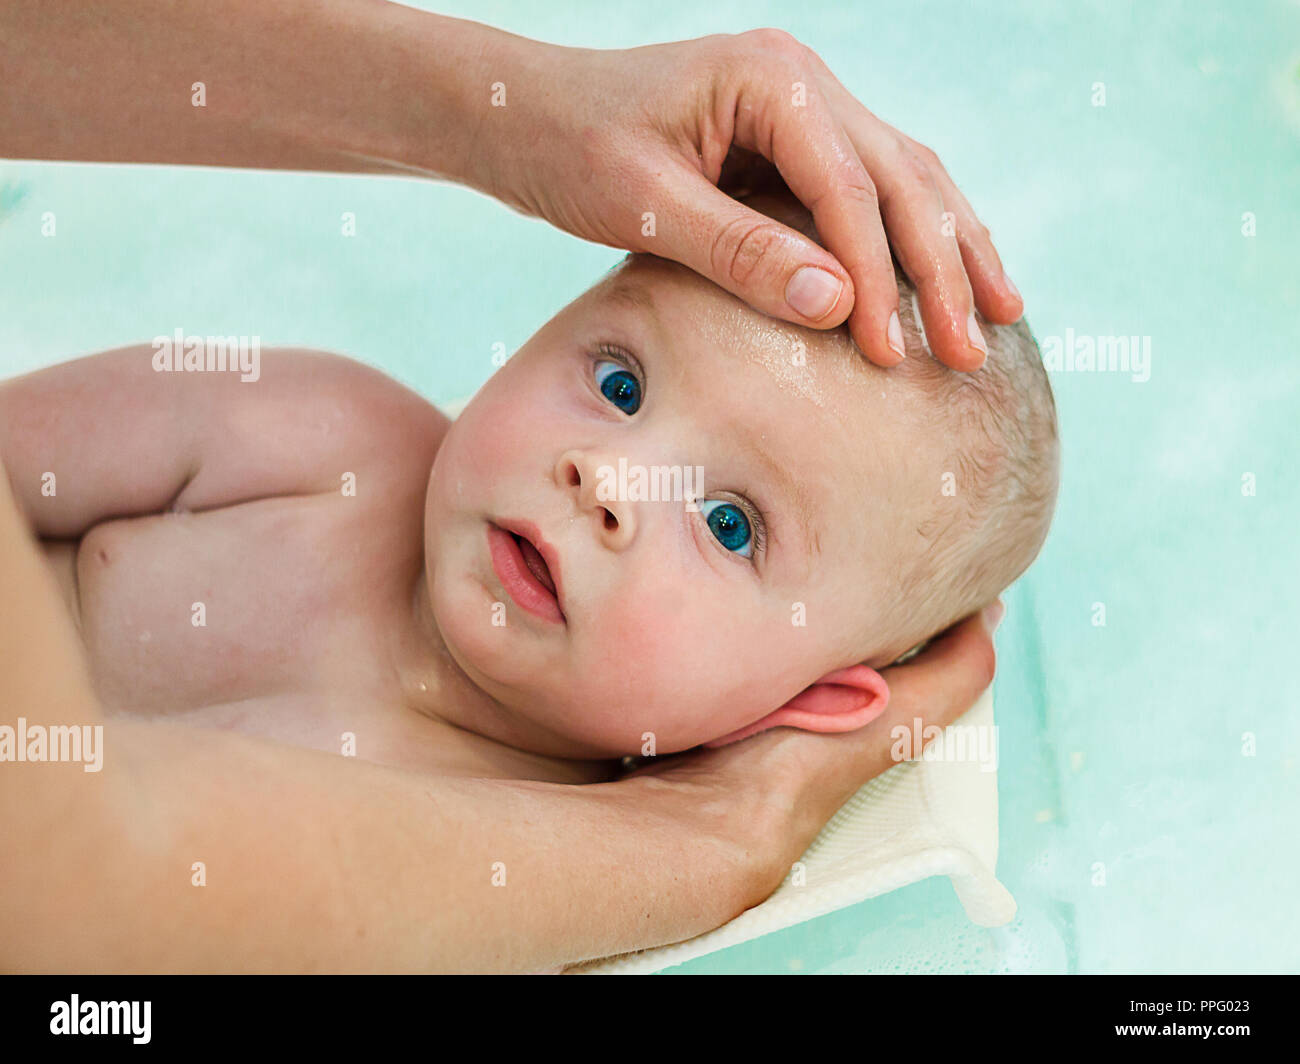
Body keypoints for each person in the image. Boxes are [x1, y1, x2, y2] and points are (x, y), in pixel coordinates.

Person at [0, 2, 1015, 972]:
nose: (603, 478)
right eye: (619, 382)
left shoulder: (510, 897)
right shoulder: (322, 435)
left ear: (794, 706)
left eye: (729, 523)